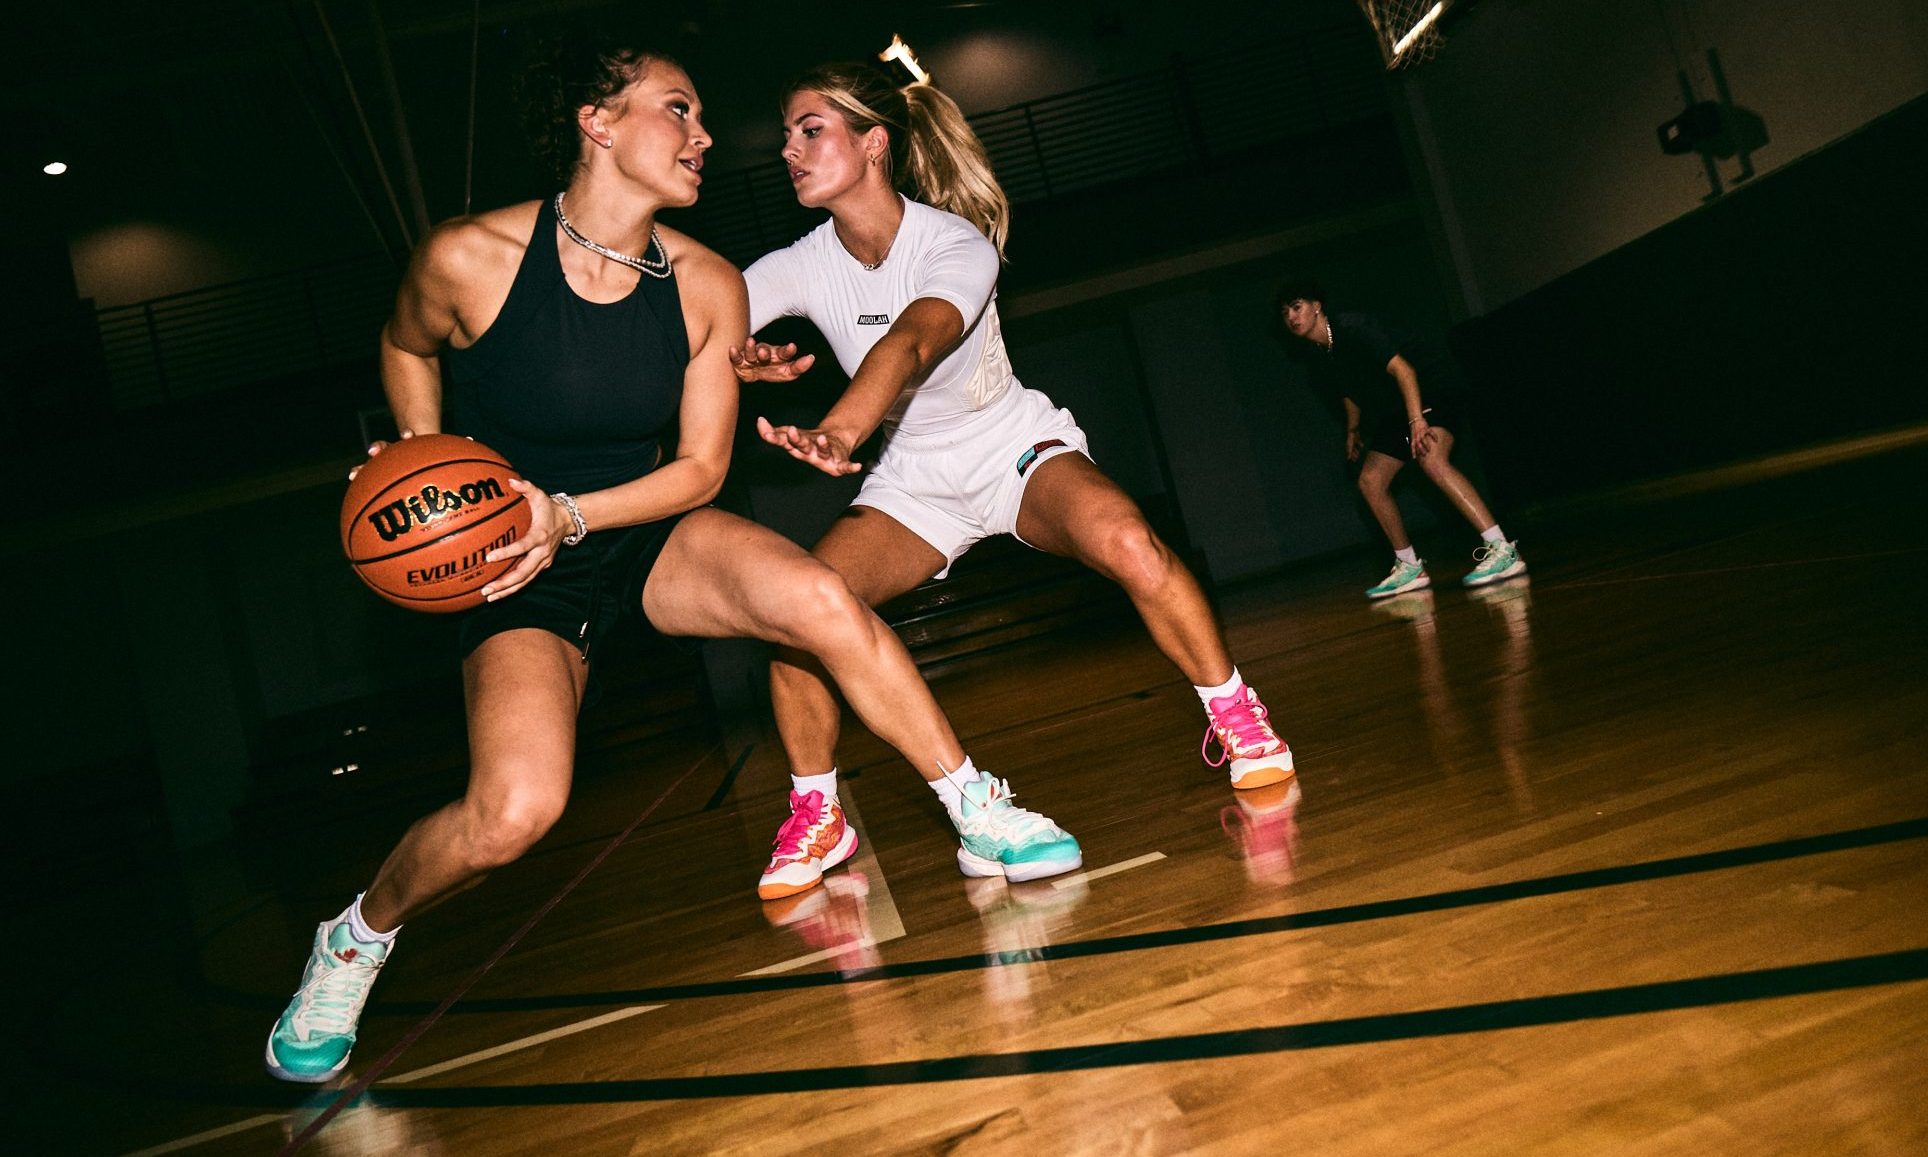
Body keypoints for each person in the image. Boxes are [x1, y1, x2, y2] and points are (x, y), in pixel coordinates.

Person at [265, 35, 1076, 1085]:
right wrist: (427, 461)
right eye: (676, 110)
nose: (704, 136)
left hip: (633, 521)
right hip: (515, 557)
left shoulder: (703, 286)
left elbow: (697, 469)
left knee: (817, 594)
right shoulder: (467, 257)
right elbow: (406, 343)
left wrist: (567, 511)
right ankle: (357, 936)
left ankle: (974, 807)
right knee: (511, 813)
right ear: (596, 123)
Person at [731, 61, 1295, 893]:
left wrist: (840, 429)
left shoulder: (952, 242)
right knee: (792, 616)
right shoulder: (803, 262)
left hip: (1009, 445)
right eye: (786, 135)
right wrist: (735, 355)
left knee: (1130, 543)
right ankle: (819, 812)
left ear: (873, 142)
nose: (789, 149)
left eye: (809, 129)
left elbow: (912, 342)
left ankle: (1236, 712)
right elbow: (710, 316)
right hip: (912, 479)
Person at [1275, 281, 1525, 596]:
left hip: (1432, 386)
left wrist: (1417, 418)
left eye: (1296, 307)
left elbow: (1404, 371)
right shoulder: (1321, 353)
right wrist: (1352, 430)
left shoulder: (1353, 328)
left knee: (1431, 459)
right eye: (1285, 313)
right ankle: (1409, 568)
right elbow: (1349, 391)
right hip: (1397, 408)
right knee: (1370, 481)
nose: (1292, 317)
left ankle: (1503, 550)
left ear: (1316, 306)